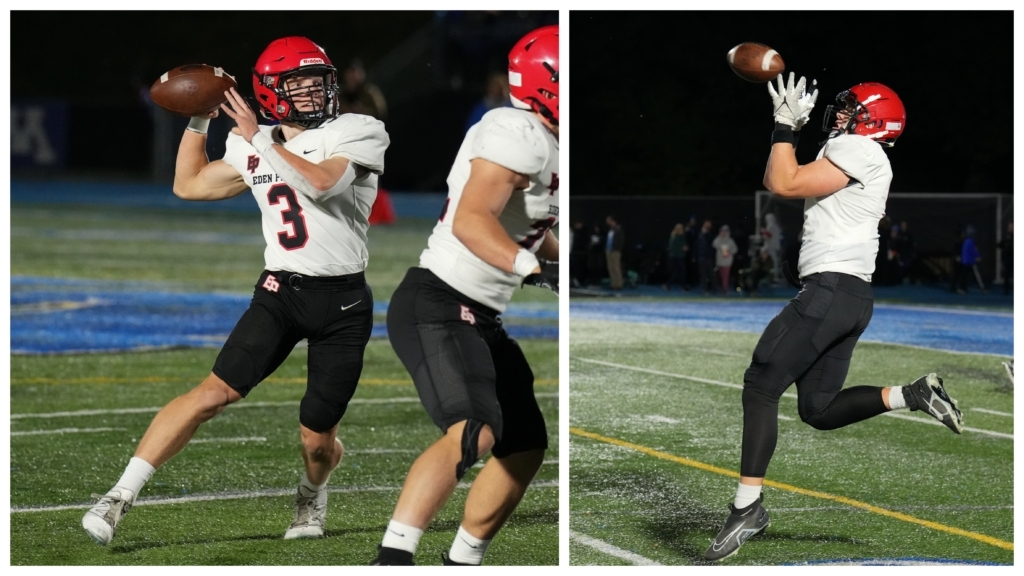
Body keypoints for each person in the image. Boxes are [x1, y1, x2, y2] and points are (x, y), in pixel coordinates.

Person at [81, 36, 389, 546]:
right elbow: (189, 185)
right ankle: (118, 496)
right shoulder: (252, 141)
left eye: (317, 82)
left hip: (343, 303)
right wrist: (199, 120)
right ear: (269, 92)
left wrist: (259, 141)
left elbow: (322, 184)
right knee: (210, 395)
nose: (312, 92)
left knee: (317, 439)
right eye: (298, 84)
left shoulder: (358, 129)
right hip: (280, 292)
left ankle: (312, 491)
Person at [704, 74, 963, 562]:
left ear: (874, 122)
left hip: (831, 291)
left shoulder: (860, 150)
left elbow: (783, 182)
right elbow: (781, 178)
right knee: (818, 410)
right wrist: (786, 133)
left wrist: (785, 127)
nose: (841, 115)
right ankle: (913, 394)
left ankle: (746, 508)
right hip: (851, 296)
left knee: (761, 385)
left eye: (851, 110)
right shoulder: (862, 155)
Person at [371, 25, 559, 566]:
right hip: (439, 302)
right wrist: (530, 267)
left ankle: (462, 559)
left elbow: (530, 226)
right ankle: (392, 558)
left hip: (479, 314)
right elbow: (472, 220)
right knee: (474, 431)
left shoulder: (548, 142)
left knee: (523, 445)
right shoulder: (516, 130)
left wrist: (560, 263)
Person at [712, 224, 738, 294]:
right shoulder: (718, 239)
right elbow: (714, 244)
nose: (724, 232)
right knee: (720, 276)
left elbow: (735, 250)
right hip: (719, 261)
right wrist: (719, 237)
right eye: (722, 231)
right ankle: (722, 288)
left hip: (727, 261)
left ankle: (725, 289)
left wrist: (729, 251)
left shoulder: (730, 241)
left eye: (725, 231)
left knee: (725, 276)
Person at [663, 223, 688, 291]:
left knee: (679, 272)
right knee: (680, 271)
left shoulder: (682, 237)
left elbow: (684, 244)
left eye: (682, 229)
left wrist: (685, 248)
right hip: (676, 257)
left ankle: (668, 284)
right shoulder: (674, 237)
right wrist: (682, 248)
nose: (681, 230)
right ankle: (682, 286)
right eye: (680, 229)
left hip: (681, 256)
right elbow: (672, 248)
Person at [605, 215, 625, 290]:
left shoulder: (618, 229)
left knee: (616, 267)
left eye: (609, 221)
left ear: (613, 221)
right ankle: (613, 284)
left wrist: (617, 248)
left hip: (615, 251)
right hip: (609, 250)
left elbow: (620, 241)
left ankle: (619, 284)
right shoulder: (611, 230)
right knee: (610, 267)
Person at [697, 219, 716, 295]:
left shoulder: (711, 234)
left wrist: (706, 233)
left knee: (711, 273)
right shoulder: (699, 234)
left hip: (709, 257)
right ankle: (704, 289)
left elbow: (711, 242)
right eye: (706, 224)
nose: (708, 225)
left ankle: (714, 288)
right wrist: (695, 255)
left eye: (709, 224)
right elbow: (697, 245)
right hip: (701, 257)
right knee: (703, 274)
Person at [999, 221, 1013, 294]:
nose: (1011, 228)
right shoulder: (1005, 236)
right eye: (1010, 227)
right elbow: (1000, 245)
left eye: (1012, 227)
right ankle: (1006, 289)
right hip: (1007, 259)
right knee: (1007, 274)